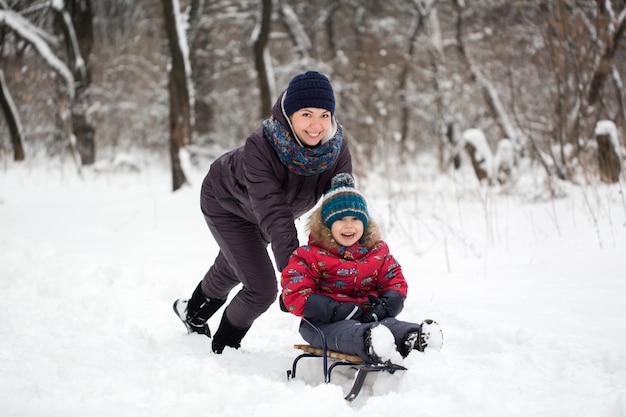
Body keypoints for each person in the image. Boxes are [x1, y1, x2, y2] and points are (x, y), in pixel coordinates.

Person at [173, 71, 352, 354]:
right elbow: (275, 215)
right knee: (262, 288)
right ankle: (224, 350)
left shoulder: (335, 151)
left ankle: (191, 313)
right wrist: (296, 277)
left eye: (324, 115)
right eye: (306, 114)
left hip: (268, 214)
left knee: (235, 267)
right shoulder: (263, 145)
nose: (316, 125)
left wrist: (347, 262)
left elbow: (342, 210)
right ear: (289, 114)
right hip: (227, 203)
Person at [281, 173, 443, 363]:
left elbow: (395, 281)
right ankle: (371, 342)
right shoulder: (310, 256)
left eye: (355, 219)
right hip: (322, 324)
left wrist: (384, 307)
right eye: (340, 219)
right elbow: (295, 292)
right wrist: (336, 310)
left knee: (390, 325)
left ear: (364, 223)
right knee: (349, 332)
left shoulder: (376, 252)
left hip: (369, 317)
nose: (349, 226)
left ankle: (413, 338)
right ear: (327, 224)